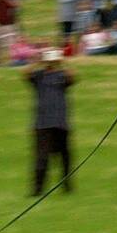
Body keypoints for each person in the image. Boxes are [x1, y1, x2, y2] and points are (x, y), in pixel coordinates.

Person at [26, 47, 75, 195]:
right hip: (42, 122)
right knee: (41, 157)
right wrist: (37, 61)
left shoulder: (61, 75)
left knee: (65, 157)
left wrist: (61, 62)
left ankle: (67, 187)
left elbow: (73, 77)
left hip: (60, 121)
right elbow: (25, 74)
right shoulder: (38, 76)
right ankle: (37, 190)